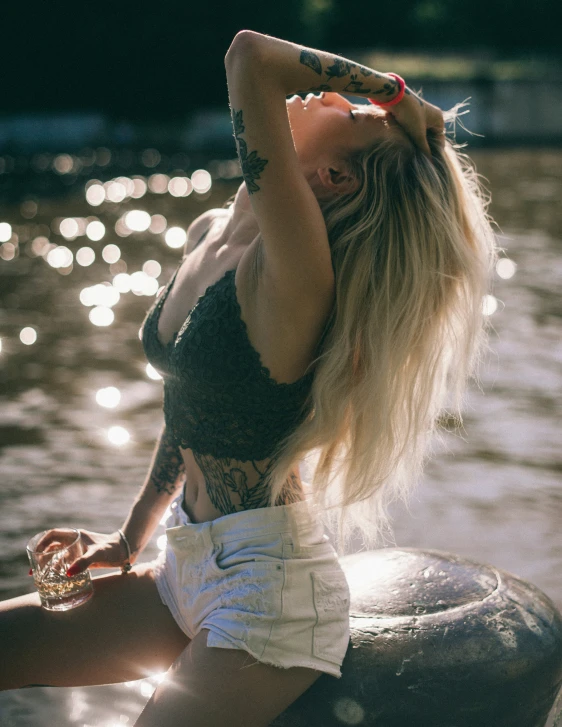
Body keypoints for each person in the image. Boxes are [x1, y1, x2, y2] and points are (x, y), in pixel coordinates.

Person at [0, 30, 498, 726]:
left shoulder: (296, 274)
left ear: (334, 178)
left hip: (270, 598)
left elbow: (250, 58)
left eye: (348, 114)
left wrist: (389, 92)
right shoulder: (213, 228)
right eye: (350, 98)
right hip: (187, 562)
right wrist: (130, 534)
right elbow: (194, 397)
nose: (329, 92)